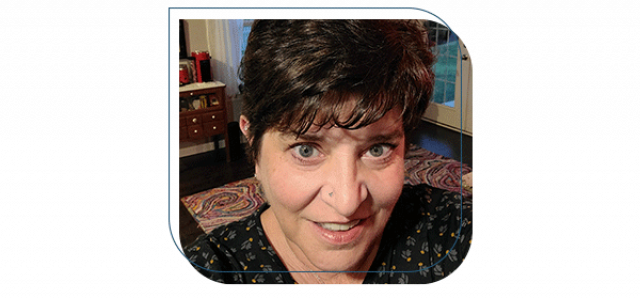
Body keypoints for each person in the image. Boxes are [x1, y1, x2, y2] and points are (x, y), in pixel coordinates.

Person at [184, 19, 473, 284]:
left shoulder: (449, 231)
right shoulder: (213, 269)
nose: (347, 204)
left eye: (377, 148)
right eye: (306, 150)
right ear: (253, 146)